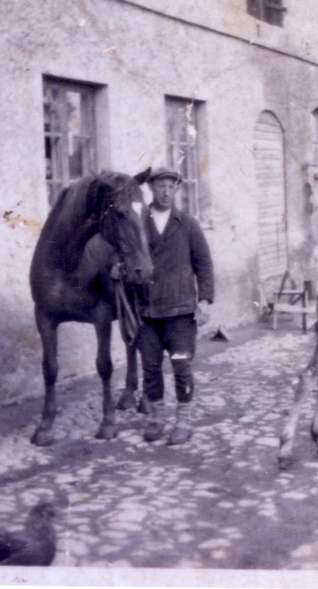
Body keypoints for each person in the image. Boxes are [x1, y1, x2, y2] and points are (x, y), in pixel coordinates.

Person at [138, 167, 215, 444]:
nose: (166, 192)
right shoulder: (137, 223)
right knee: (150, 367)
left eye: (171, 187)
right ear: (151, 189)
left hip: (180, 310)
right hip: (145, 310)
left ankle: (184, 421)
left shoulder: (188, 224)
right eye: (160, 187)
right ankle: (157, 418)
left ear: (176, 190)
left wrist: (204, 300)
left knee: (181, 365)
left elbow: (203, 264)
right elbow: (122, 254)